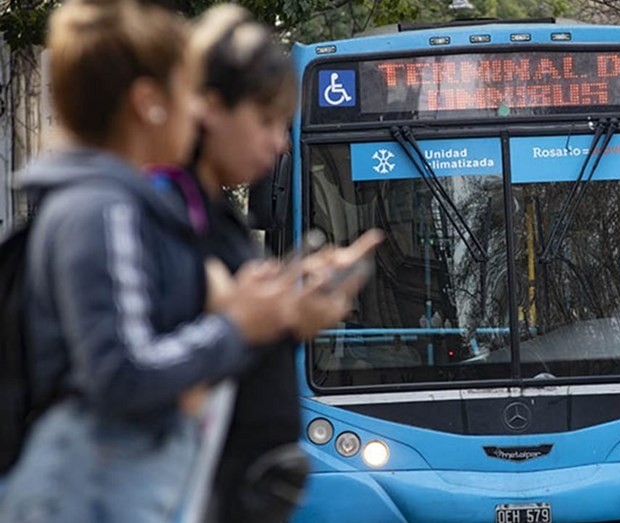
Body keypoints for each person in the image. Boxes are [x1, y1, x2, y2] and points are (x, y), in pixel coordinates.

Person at [0, 1, 351, 521]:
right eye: (188, 93)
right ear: (149, 104)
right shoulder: (105, 208)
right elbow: (123, 372)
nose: (199, 111)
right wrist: (238, 325)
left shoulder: (111, 202)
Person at [157, 5, 382, 522]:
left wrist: (291, 313)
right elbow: (148, 373)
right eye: (265, 122)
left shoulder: (215, 214)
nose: (279, 142)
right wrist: (267, 319)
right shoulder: (162, 215)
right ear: (211, 108)